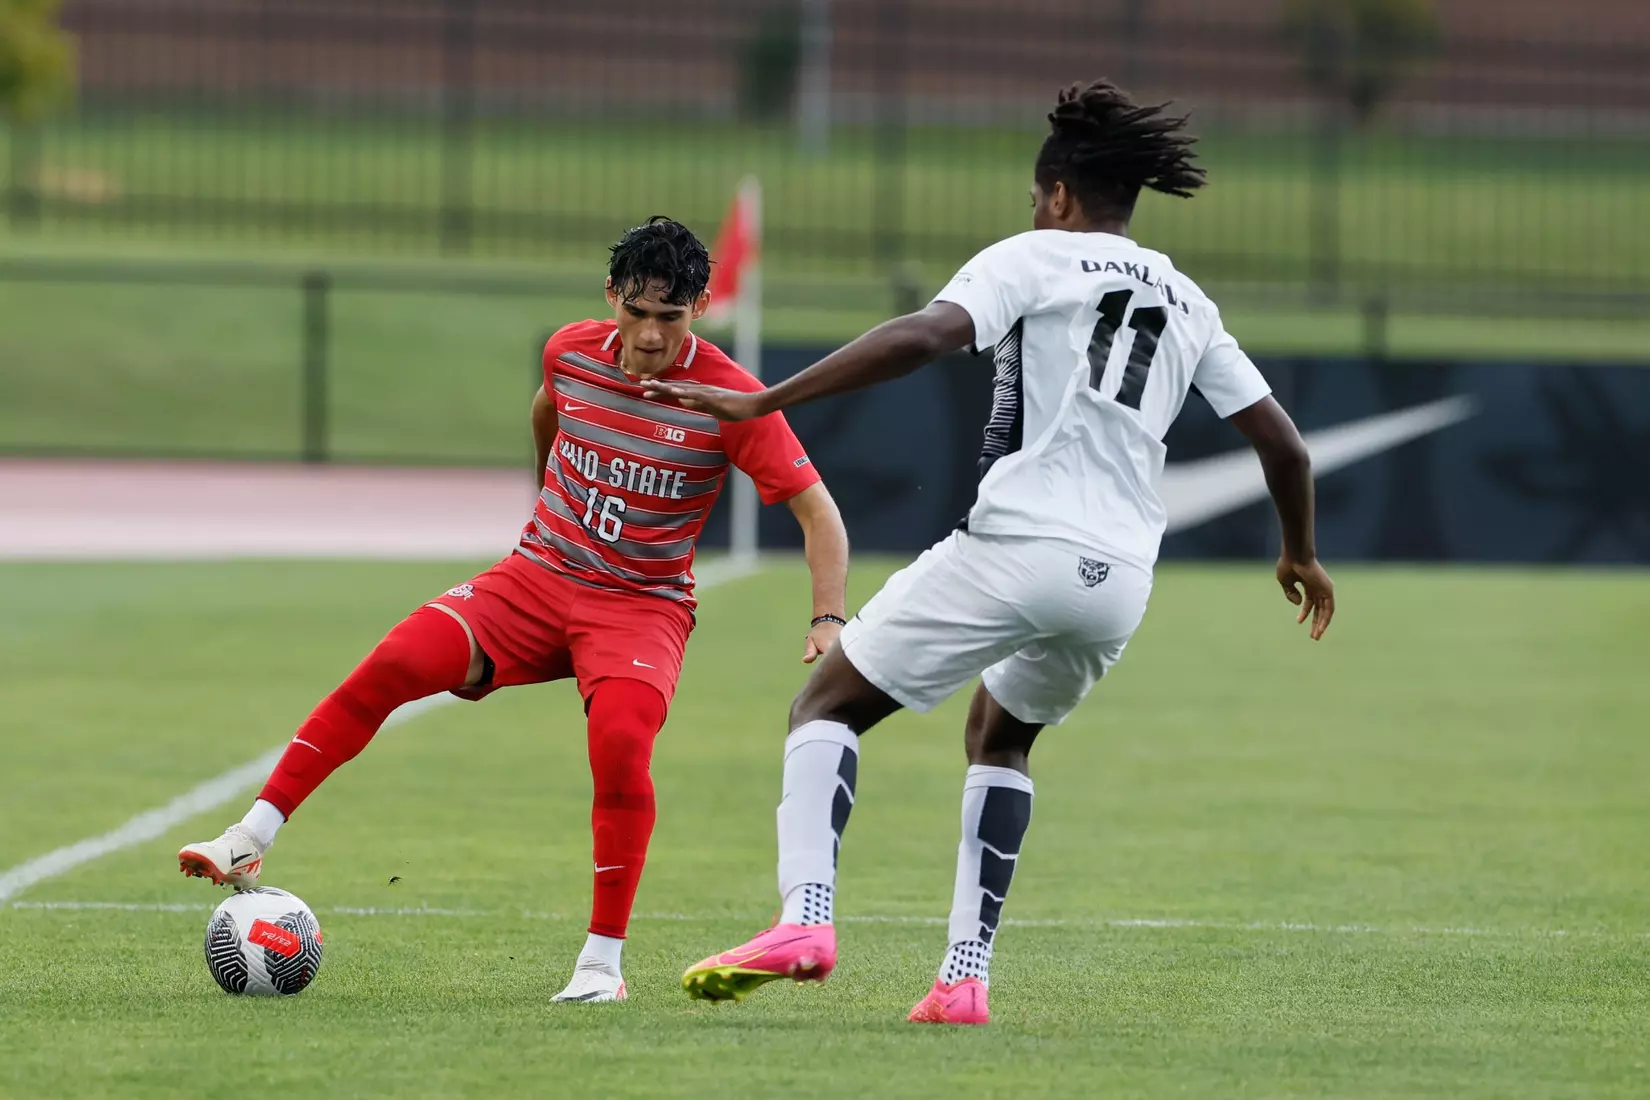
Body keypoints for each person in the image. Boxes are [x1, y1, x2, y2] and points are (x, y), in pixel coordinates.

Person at [645, 81, 1336, 1025]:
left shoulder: (1034, 256)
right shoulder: (1188, 300)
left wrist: (764, 400)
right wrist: (1299, 551)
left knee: (826, 702)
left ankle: (805, 920)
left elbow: (927, 334)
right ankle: (963, 979)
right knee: (1001, 736)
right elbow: (1285, 446)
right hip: (1120, 581)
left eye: (1032, 196)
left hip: (1022, 544)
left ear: (1057, 196)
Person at [177, 216, 851, 1005]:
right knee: (394, 661)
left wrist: (828, 619)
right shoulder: (569, 351)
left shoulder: (732, 396)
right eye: (637, 312)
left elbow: (819, 513)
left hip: (639, 608)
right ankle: (250, 839)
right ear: (612, 298)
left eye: (670, 317)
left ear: (699, 307)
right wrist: (546, 511)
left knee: (622, 743)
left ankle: (600, 966)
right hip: (536, 579)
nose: (649, 335)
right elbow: (546, 412)